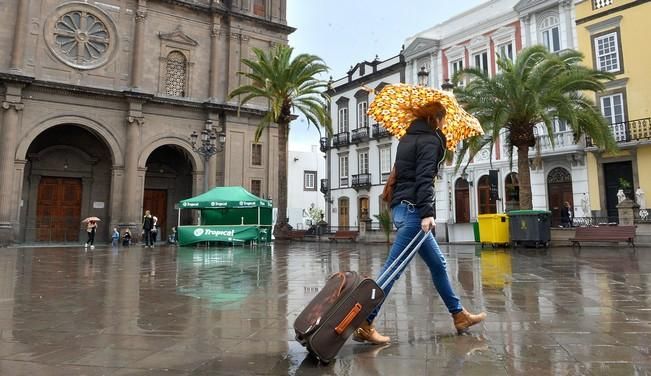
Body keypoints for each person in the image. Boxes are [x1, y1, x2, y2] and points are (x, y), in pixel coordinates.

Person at [353, 103, 486, 345]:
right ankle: (364, 322)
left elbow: (406, 174)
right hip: (415, 211)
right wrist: (427, 212)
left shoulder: (407, 139)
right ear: (436, 119)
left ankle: (459, 315)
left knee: (438, 263)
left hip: (401, 208)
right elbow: (424, 177)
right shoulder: (430, 140)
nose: (445, 123)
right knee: (392, 270)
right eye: (443, 119)